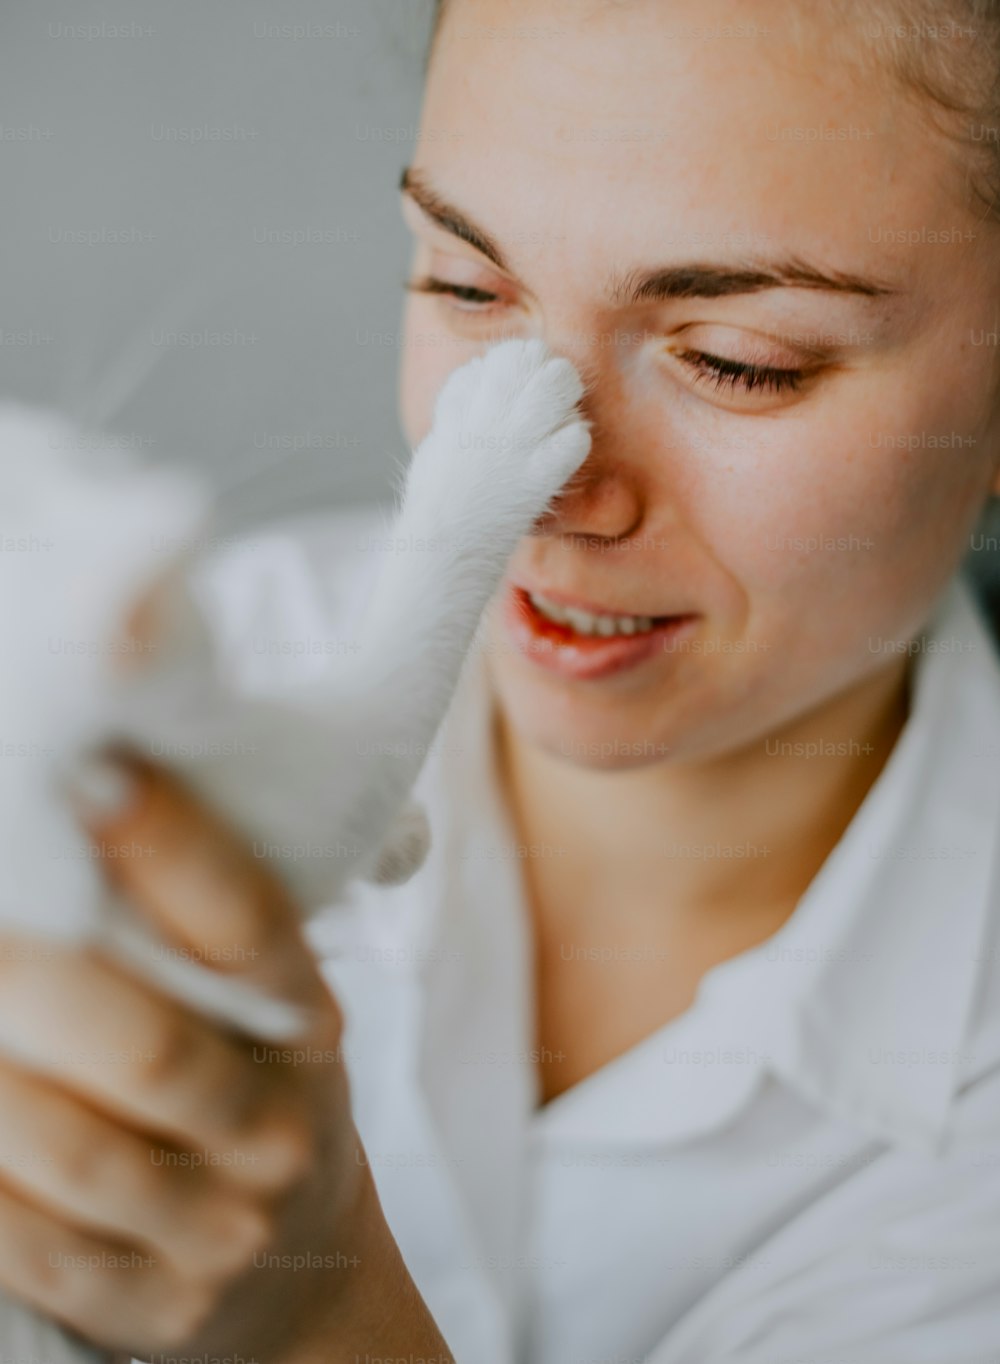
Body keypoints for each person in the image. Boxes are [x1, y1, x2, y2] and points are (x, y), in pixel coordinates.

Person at [2, 0, 1000, 1360]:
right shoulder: (208, 656)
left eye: (737, 361)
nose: (552, 488)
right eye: (467, 289)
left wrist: (318, 1323)